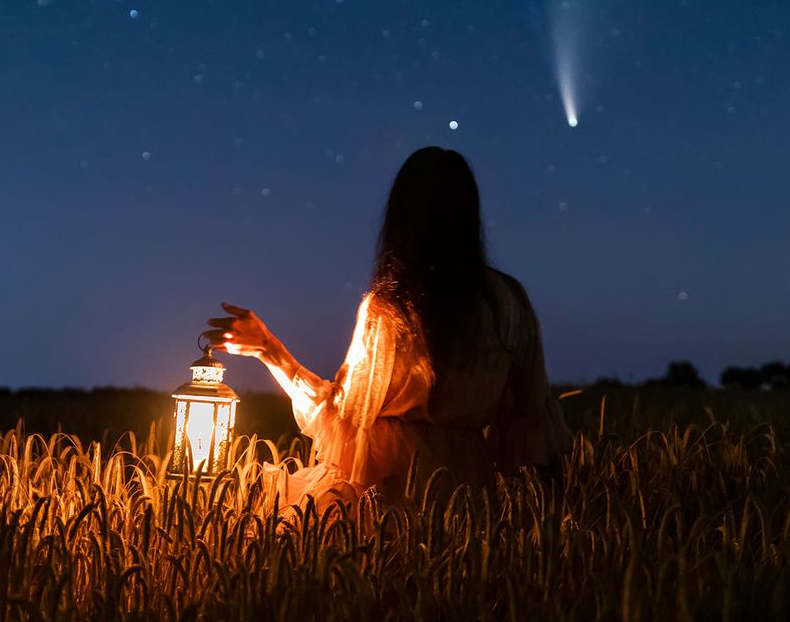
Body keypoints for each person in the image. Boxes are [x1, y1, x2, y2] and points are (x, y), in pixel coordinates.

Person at [203, 147, 571, 508]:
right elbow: (532, 420)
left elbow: (344, 419)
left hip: (389, 496)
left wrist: (270, 350)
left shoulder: (391, 308)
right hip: (470, 499)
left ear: (401, 217)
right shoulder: (509, 302)